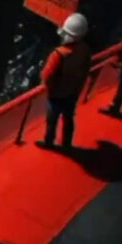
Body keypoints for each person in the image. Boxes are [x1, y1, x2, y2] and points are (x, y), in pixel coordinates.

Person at [37, 12, 92, 149]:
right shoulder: (85, 50)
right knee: (68, 119)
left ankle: (49, 142)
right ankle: (67, 143)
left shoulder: (59, 54)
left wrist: (48, 86)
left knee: (52, 120)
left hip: (56, 94)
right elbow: (86, 69)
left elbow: (47, 75)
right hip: (72, 92)